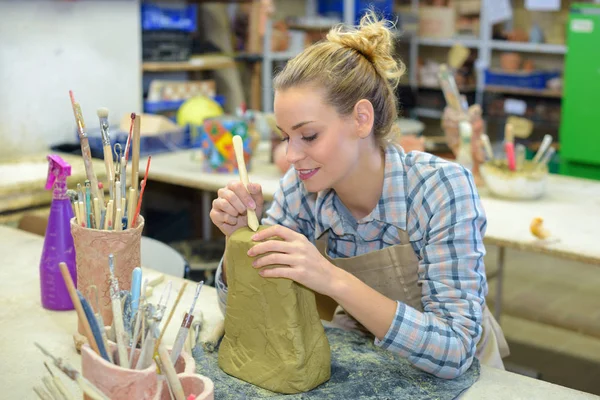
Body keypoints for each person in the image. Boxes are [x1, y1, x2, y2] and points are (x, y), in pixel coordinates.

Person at [210, 12, 508, 379]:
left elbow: (455, 352)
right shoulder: (301, 189)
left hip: (469, 376)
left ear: (361, 119)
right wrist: (238, 240)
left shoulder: (439, 189)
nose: (291, 155)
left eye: (309, 136)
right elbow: (250, 309)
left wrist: (332, 279)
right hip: (367, 357)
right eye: (286, 136)